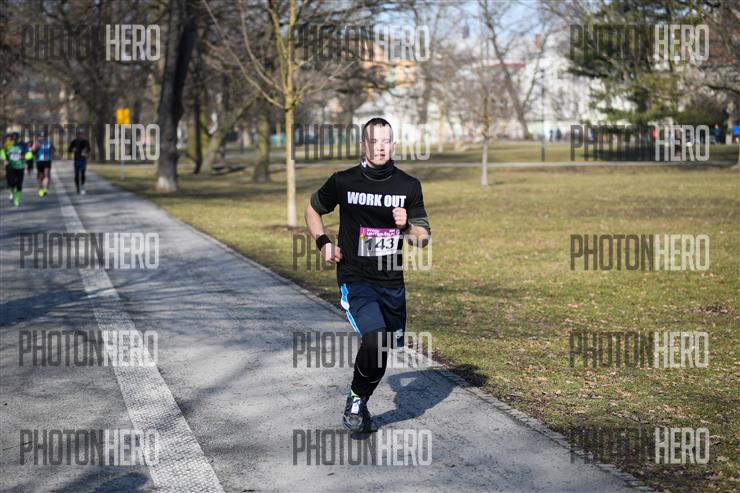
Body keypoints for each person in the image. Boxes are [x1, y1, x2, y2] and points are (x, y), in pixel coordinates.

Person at [304, 117, 431, 433]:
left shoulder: (408, 186)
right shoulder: (344, 181)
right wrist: (323, 243)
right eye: (374, 141)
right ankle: (356, 401)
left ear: (394, 144)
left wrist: (406, 226)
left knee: (381, 347)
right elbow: (312, 209)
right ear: (363, 145)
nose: (380, 147)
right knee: (374, 338)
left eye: (386, 141)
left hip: (391, 282)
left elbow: (423, 238)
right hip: (355, 277)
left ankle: (360, 400)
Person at [1, 132, 33, 207]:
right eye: (13, 139)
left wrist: (24, 157)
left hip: (20, 167)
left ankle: (17, 198)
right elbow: (2, 152)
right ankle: (12, 192)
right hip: (10, 166)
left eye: (16, 139)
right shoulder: (8, 144)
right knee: (11, 182)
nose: (14, 141)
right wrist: (4, 159)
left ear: (18, 138)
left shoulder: (23, 145)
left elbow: (29, 154)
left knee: (19, 184)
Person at [68, 129, 91, 194]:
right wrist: (73, 149)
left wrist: (86, 151)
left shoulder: (86, 142)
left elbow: (89, 149)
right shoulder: (74, 142)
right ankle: (78, 188)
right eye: (79, 134)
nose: (80, 135)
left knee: (83, 174)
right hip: (76, 160)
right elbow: (69, 150)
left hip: (83, 160)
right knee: (76, 175)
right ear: (77, 135)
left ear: (83, 135)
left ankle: (82, 185)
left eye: (82, 134)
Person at [33, 129, 54, 197]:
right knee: (40, 176)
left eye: (43, 136)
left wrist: (51, 153)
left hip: (47, 160)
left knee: (46, 174)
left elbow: (53, 149)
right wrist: (35, 148)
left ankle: (45, 189)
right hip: (39, 161)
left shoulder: (49, 142)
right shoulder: (36, 143)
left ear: (46, 136)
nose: (42, 137)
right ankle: (40, 188)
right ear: (38, 136)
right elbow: (33, 151)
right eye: (41, 136)